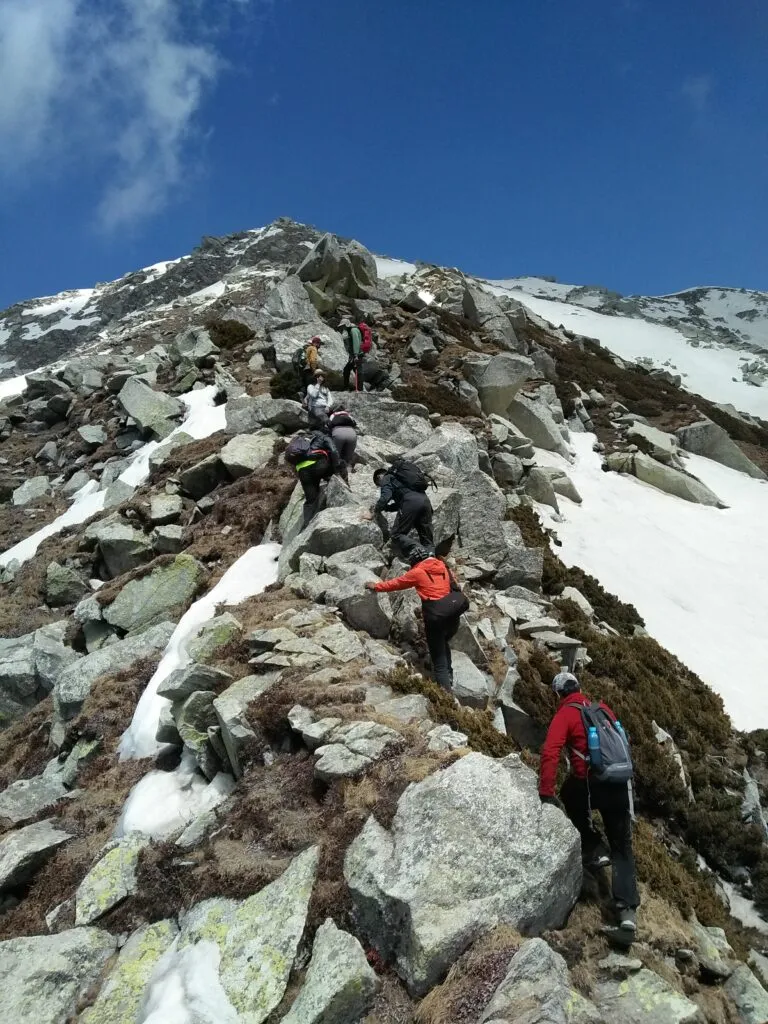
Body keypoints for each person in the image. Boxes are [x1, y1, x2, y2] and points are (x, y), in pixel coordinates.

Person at [539, 670, 639, 934]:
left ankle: (594, 847)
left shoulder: (566, 714)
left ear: (559, 693)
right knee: (623, 847)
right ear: (579, 687)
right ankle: (627, 915)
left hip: (591, 785)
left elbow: (551, 751)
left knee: (570, 795)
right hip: (619, 784)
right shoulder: (603, 709)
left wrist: (545, 793)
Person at [365, 546, 468, 690]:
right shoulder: (442, 566)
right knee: (444, 643)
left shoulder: (418, 572)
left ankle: (447, 696)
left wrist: (376, 586)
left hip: (435, 618)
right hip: (453, 615)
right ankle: (449, 676)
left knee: (438, 661)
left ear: (415, 561)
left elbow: (396, 584)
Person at [362, 462, 434, 559]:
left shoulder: (387, 477)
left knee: (397, 534)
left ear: (379, 477)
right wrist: (387, 508)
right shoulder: (402, 478)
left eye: (379, 485)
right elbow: (400, 503)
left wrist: (374, 512)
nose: (380, 486)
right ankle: (432, 561)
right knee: (427, 540)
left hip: (410, 503)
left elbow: (385, 498)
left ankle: (420, 549)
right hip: (426, 502)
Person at [286, 430, 342, 529]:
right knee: (340, 463)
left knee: (311, 500)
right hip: (318, 466)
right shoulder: (325, 437)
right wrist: (337, 469)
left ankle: (306, 526)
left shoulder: (302, 440)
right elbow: (334, 451)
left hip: (302, 471)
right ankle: (336, 481)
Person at [328, 408, 358, 476]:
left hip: (338, 433)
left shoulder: (333, 415)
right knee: (347, 458)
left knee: (336, 456)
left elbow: (329, 425)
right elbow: (355, 424)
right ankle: (348, 474)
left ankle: (335, 474)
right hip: (352, 434)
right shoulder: (348, 415)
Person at [340, 318, 364, 391]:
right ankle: (347, 387)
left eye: (343, 326)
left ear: (347, 325)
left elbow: (356, 343)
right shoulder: (350, 331)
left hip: (357, 354)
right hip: (354, 355)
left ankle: (359, 389)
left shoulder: (353, 330)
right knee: (347, 370)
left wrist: (356, 355)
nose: (342, 327)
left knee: (358, 371)